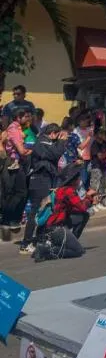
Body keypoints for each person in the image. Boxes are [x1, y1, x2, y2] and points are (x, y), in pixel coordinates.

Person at [20, 124, 68, 254]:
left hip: (45, 180)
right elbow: (55, 154)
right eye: (57, 136)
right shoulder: (41, 142)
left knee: (45, 211)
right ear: (52, 133)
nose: (57, 139)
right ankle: (25, 243)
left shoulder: (46, 143)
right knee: (35, 212)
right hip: (39, 181)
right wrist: (62, 142)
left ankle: (38, 240)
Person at [35, 163, 97, 261]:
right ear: (74, 181)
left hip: (51, 226)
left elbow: (76, 209)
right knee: (79, 251)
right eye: (79, 179)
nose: (80, 181)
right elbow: (82, 207)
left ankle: (69, 242)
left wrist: (90, 201)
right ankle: (46, 250)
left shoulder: (62, 189)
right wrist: (89, 197)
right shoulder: (68, 191)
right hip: (56, 228)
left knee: (84, 215)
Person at [1, 109, 32, 239]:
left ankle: (9, 219)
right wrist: (33, 150)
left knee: (16, 192)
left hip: (15, 163)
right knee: (20, 193)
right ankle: (9, 217)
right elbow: (21, 150)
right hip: (13, 163)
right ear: (18, 117)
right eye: (26, 116)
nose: (29, 118)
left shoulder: (18, 128)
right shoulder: (13, 129)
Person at [89, 127, 106, 210]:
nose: (102, 135)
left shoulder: (105, 143)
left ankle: (100, 202)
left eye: (103, 133)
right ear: (96, 135)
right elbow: (100, 156)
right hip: (96, 167)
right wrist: (104, 154)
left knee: (102, 187)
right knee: (95, 187)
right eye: (100, 133)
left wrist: (104, 154)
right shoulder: (94, 144)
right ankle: (93, 204)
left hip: (103, 167)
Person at [74, 111, 94, 187]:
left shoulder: (90, 129)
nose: (86, 122)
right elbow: (80, 146)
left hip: (91, 156)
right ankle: (82, 194)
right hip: (82, 157)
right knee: (83, 177)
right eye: (84, 120)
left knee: (90, 177)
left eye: (87, 120)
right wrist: (89, 137)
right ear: (79, 121)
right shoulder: (76, 131)